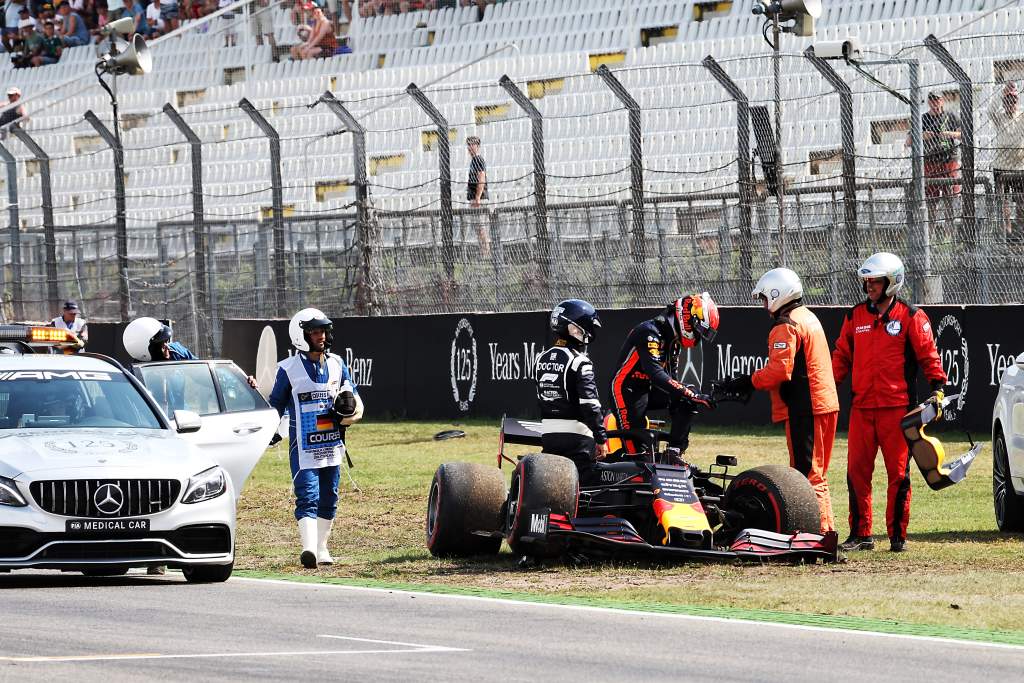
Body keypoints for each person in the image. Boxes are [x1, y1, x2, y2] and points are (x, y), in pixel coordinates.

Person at [832, 252, 947, 553]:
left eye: (875, 281)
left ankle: (898, 537)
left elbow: (928, 356)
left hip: (898, 411)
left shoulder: (911, 316)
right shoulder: (854, 316)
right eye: (867, 281)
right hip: (861, 409)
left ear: (892, 282)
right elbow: (841, 356)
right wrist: (828, 386)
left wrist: (938, 389)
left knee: (898, 474)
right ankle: (861, 534)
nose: (869, 286)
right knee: (857, 472)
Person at [721, 268, 839, 534]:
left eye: (765, 298)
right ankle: (825, 531)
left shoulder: (786, 324)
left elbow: (779, 371)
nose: (764, 305)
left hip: (806, 408)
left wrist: (749, 381)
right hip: (823, 404)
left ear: (777, 294)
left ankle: (817, 535)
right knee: (816, 474)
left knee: (806, 475)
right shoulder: (808, 317)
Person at [268, 308, 363, 569]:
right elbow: (275, 404)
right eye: (315, 332)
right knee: (307, 494)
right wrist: (269, 430)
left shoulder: (337, 364)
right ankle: (308, 548)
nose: (322, 336)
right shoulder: (288, 369)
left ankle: (322, 547)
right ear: (301, 336)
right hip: (304, 447)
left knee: (330, 495)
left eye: (323, 331)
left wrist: (352, 408)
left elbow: (351, 392)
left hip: (332, 445)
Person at [609, 293, 718, 462]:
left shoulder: (674, 342)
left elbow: (671, 380)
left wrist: (690, 396)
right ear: (687, 318)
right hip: (626, 390)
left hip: (648, 390)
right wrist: (691, 395)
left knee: (688, 395)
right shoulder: (649, 331)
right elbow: (655, 373)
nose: (697, 336)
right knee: (639, 456)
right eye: (698, 331)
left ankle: (673, 453)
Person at [534, 299, 606, 475]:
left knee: (552, 487)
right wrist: (601, 438)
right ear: (575, 328)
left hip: (548, 436)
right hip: (578, 438)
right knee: (583, 490)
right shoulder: (580, 361)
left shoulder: (539, 359)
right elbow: (590, 404)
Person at [908, 92, 961, 231]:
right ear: (929, 102)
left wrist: (950, 134)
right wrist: (922, 136)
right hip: (930, 162)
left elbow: (963, 134)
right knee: (932, 201)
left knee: (949, 198)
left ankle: (949, 230)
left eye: (937, 100)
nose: (935, 103)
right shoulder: (923, 119)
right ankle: (930, 231)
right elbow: (908, 142)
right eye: (932, 100)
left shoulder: (950, 116)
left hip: (949, 161)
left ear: (942, 101)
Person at [990, 81, 1024, 241]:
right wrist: (1002, 93)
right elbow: (990, 109)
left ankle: (1020, 231)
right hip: (1001, 166)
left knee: (1021, 200)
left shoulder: (1022, 117)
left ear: (1017, 101)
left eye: (1013, 100)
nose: (1010, 103)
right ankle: (1007, 233)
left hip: (1019, 166)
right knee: (1004, 201)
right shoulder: (999, 117)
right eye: (1007, 100)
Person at [465, 135, 490, 257]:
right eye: (468, 145)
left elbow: (481, 178)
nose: (470, 147)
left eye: (472, 144)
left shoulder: (478, 160)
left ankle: (485, 253)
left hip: (478, 199)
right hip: (474, 199)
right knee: (478, 228)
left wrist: (478, 197)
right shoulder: (473, 161)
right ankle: (483, 252)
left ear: (477, 146)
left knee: (481, 227)